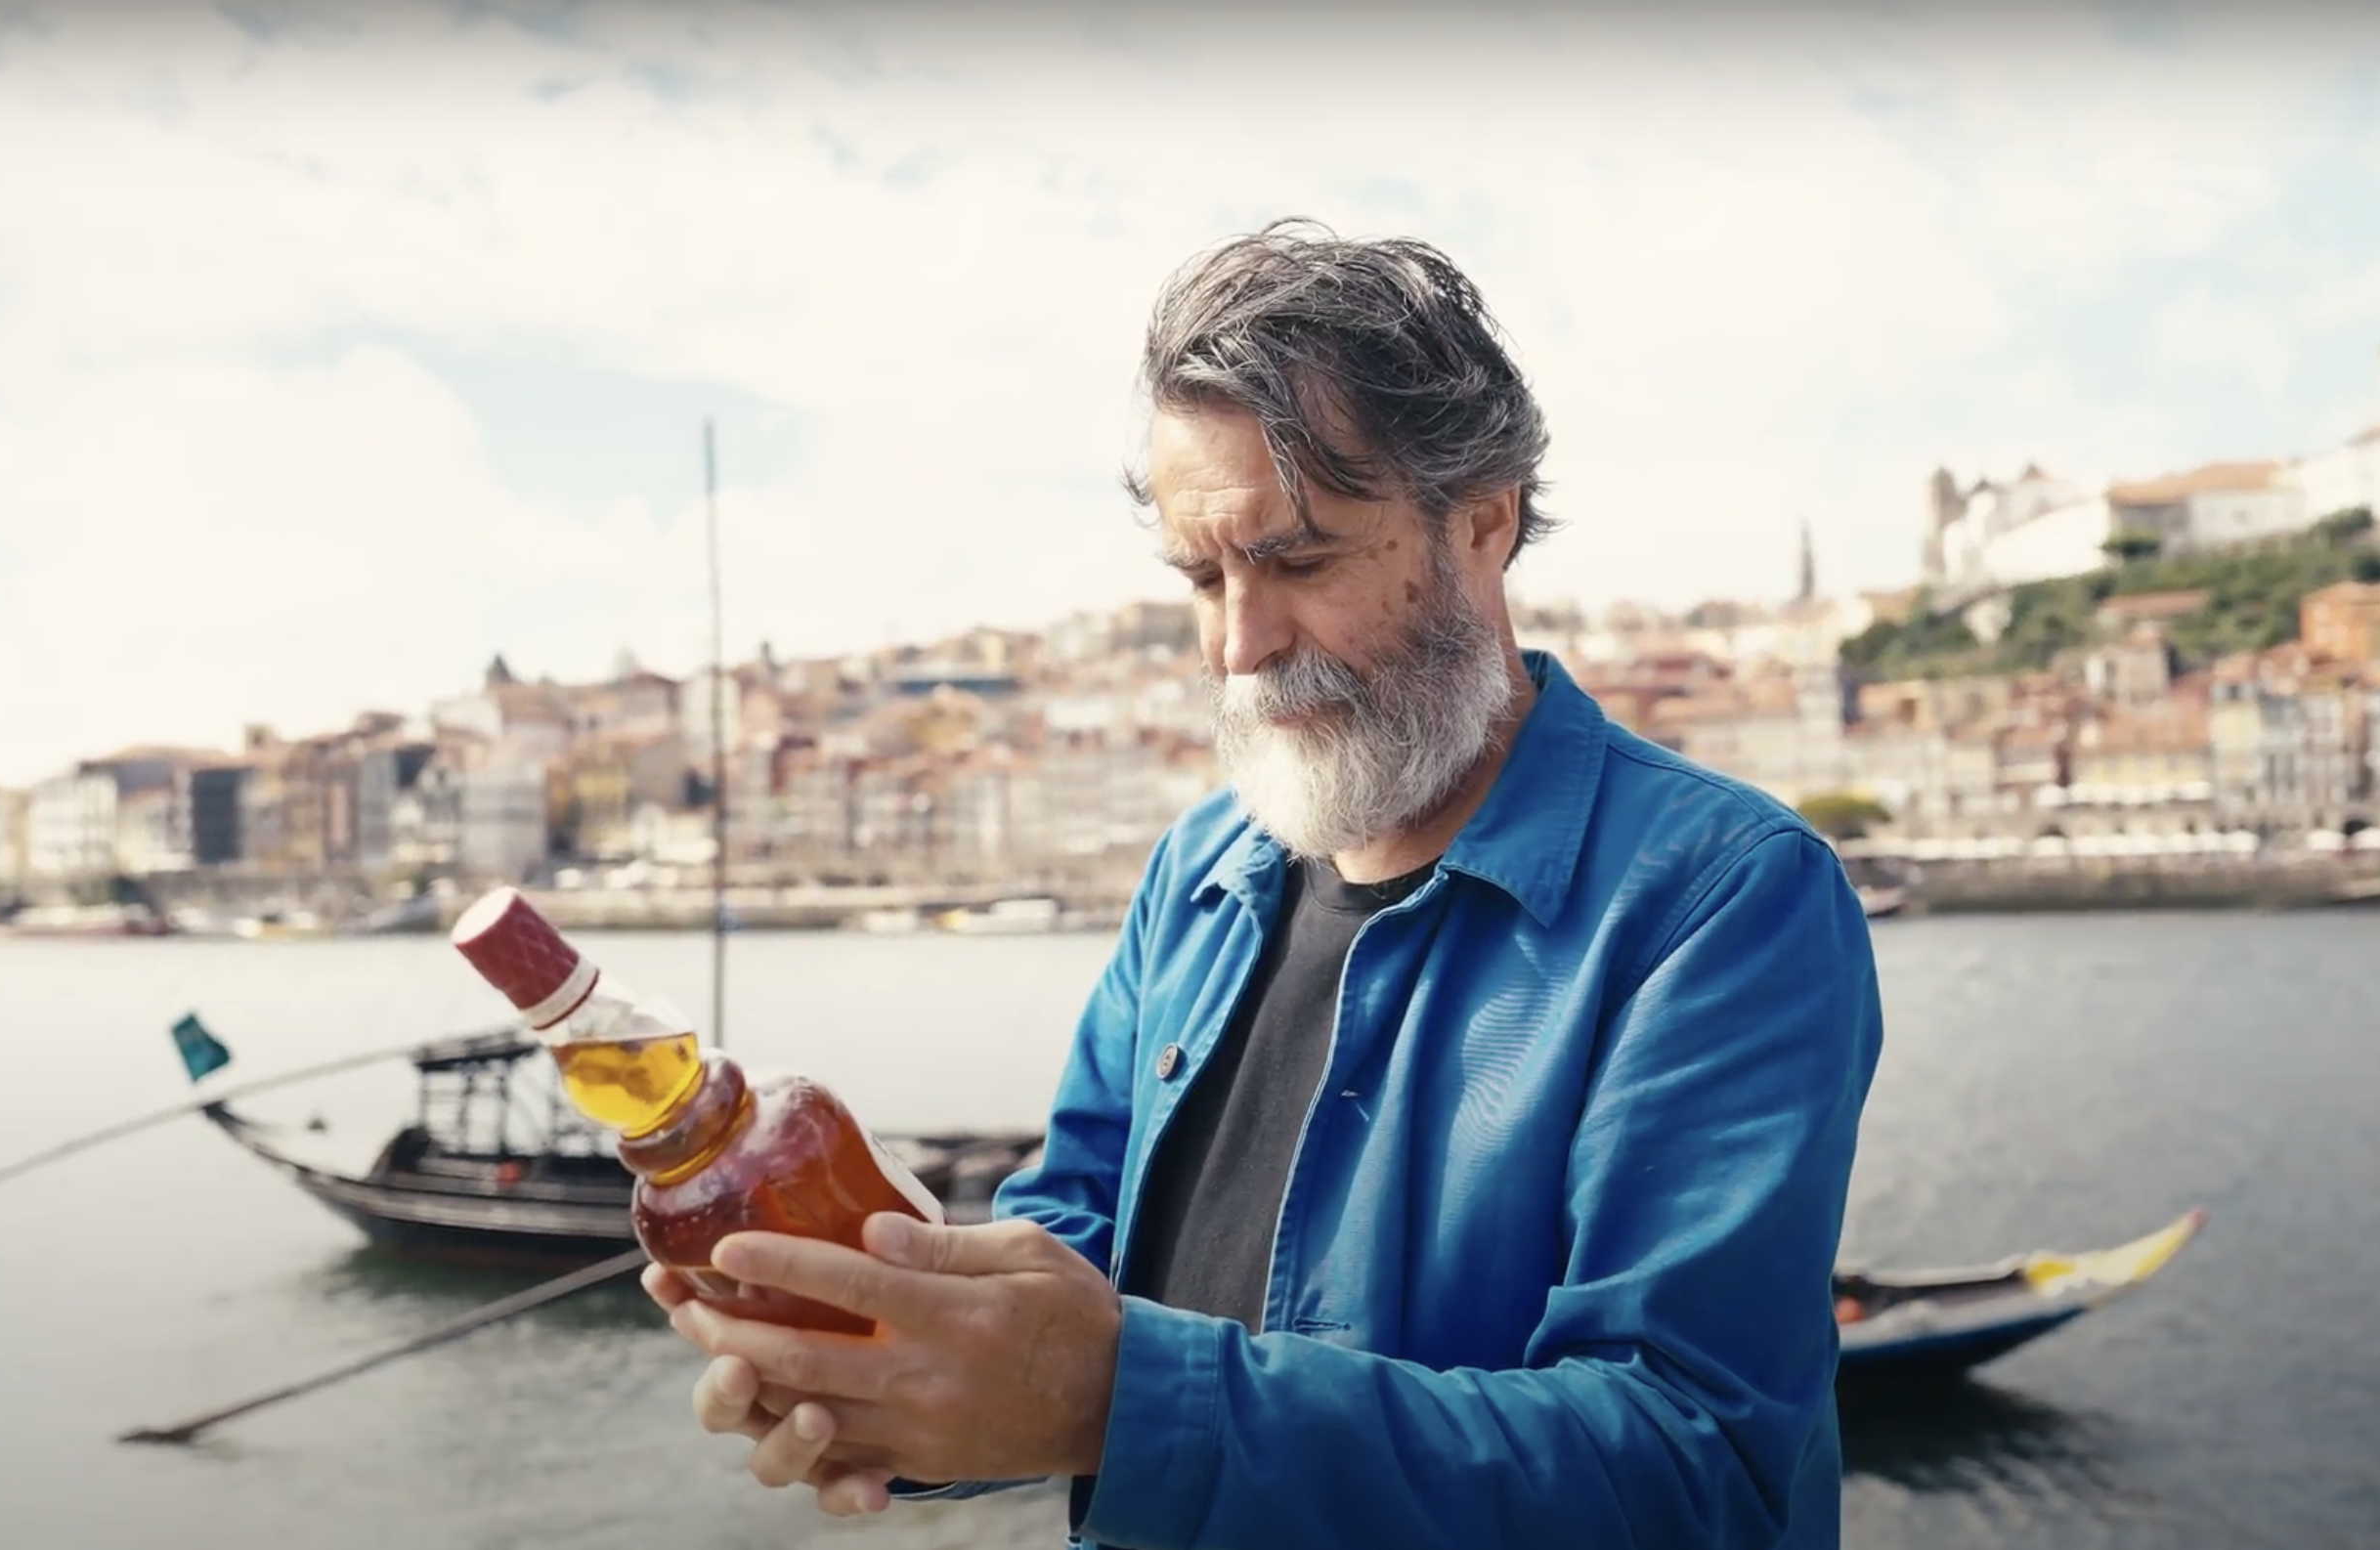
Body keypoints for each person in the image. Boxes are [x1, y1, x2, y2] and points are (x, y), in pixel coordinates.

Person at [645, 218, 1885, 1549]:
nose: (1242, 641)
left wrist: (1113, 1398)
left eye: (1298, 561)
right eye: (1202, 575)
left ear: (1481, 519)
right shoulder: (1198, 870)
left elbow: (1695, 1475)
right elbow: (1072, 1251)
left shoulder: (1721, 899)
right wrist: (887, 1364)